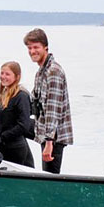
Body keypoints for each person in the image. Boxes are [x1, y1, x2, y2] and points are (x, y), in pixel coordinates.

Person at [25, 28, 73, 173]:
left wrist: (49, 142)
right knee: (11, 121)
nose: (32, 51)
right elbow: (35, 101)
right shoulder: (41, 71)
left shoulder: (53, 71)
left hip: (54, 136)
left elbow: (53, 109)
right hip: (43, 130)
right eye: (29, 48)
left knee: (50, 178)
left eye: (36, 47)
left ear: (45, 47)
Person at [0, 61, 35, 167]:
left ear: (17, 77)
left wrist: (3, 137)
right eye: (2, 73)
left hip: (15, 149)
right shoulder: (5, 92)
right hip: (1, 147)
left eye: (7, 74)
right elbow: (9, 113)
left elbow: (24, 125)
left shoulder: (21, 96)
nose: (3, 76)